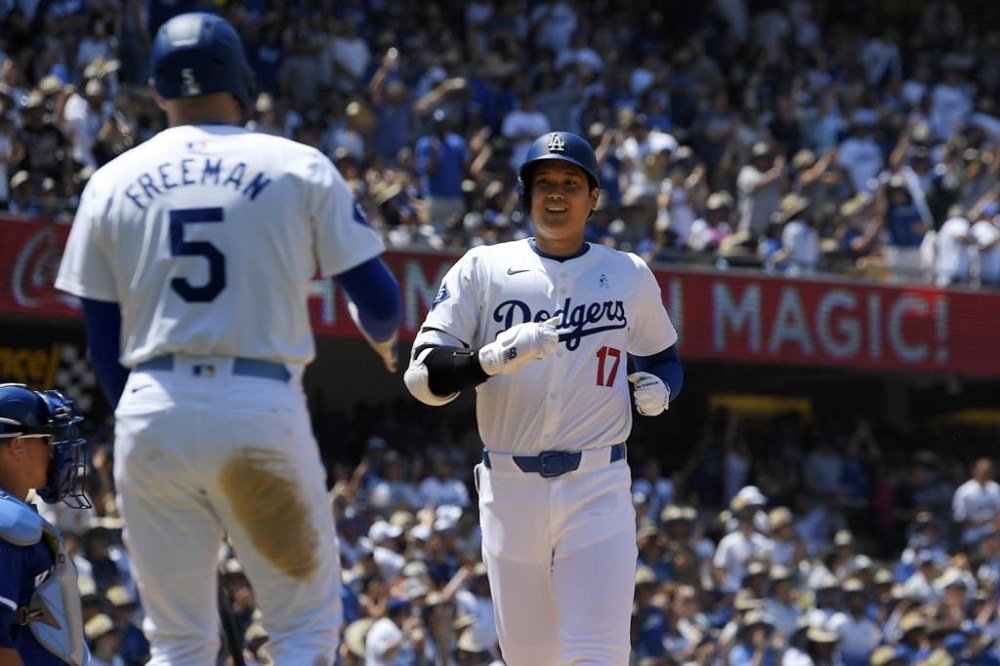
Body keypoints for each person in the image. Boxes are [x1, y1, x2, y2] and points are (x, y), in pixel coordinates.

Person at [54, 13, 402, 665]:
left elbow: (102, 348)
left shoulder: (110, 180)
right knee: (301, 632)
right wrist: (379, 339)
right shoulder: (296, 164)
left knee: (180, 642)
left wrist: (159, 430)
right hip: (257, 403)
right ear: (243, 84)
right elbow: (382, 304)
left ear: (158, 91)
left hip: (152, 408)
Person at [403, 130, 683, 664]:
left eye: (570, 183)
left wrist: (661, 388)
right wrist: (492, 358)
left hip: (597, 483)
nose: (556, 193)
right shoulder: (482, 267)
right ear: (526, 194)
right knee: (531, 658)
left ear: (594, 196)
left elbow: (664, 357)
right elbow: (422, 379)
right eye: (544, 182)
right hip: (510, 488)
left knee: (597, 654)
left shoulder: (627, 272)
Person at [0, 383, 91, 666]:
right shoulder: (8, 523)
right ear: (17, 446)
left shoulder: (15, 516)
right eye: (46, 439)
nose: (54, 451)